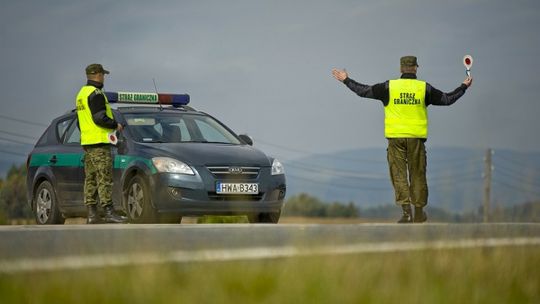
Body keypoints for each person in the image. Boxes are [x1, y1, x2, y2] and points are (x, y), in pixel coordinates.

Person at [332, 56, 473, 223]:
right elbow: (447, 99)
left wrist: (346, 80)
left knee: (398, 174)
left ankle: (406, 213)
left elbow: (363, 91)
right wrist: (463, 86)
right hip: (416, 139)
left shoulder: (389, 87)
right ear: (415, 68)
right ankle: (419, 212)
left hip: (395, 138)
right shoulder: (424, 88)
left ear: (400, 69)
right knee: (418, 174)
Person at [75, 63, 127, 224]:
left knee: (90, 178)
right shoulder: (96, 93)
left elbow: (79, 122)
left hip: (88, 143)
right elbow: (99, 117)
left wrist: (85, 137)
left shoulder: (81, 94)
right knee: (104, 178)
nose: (104, 77)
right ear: (97, 75)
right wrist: (115, 125)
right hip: (99, 142)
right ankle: (109, 212)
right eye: (103, 74)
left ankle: (92, 214)